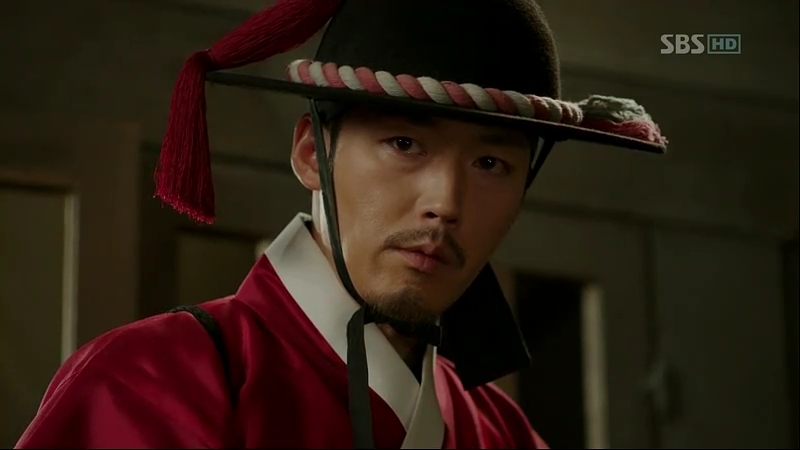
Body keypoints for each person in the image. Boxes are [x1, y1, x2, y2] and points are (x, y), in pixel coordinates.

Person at [16, 0, 666, 448]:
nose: (446, 202)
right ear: (311, 152)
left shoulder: (503, 433)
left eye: (491, 163)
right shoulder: (154, 380)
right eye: (405, 145)